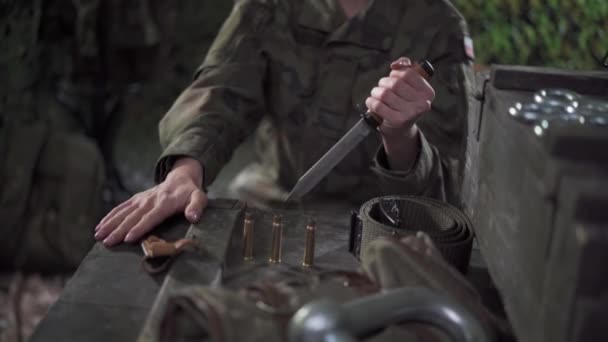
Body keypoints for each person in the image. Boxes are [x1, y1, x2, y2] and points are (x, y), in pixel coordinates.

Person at [95, 0, 475, 246]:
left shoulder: (438, 26)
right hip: (273, 202)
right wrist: (185, 172)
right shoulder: (270, 6)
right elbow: (221, 88)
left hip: (381, 228)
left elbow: (447, 188)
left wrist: (400, 136)